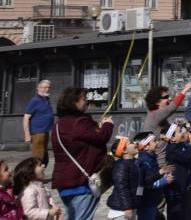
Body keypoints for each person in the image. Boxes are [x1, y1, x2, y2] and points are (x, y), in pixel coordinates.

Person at [51, 88, 114, 220]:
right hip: (81, 182)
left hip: (64, 181)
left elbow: (84, 140)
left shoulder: (59, 124)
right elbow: (101, 138)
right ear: (74, 102)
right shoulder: (80, 122)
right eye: (84, 99)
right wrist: (107, 125)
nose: (87, 103)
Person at [142, 84, 191, 166]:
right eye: (166, 97)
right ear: (157, 102)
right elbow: (172, 108)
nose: (169, 99)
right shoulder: (154, 115)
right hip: (161, 163)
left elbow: (163, 137)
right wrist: (185, 90)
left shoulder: (160, 117)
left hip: (167, 160)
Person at [164, 122, 191, 220]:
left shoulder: (181, 145)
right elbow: (186, 158)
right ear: (172, 138)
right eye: (179, 132)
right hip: (176, 189)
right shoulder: (171, 148)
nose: (183, 132)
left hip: (184, 186)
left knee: (186, 213)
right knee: (177, 214)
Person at [135, 133, 173, 220]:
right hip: (146, 201)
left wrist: (163, 175)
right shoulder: (144, 162)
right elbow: (146, 183)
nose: (157, 143)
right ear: (146, 147)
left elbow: (154, 175)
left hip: (151, 200)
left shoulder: (151, 158)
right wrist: (164, 180)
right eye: (154, 141)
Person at [107, 137, 140, 219]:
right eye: (131, 143)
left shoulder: (134, 163)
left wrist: (159, 173)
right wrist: (127, 207)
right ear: (124, 151)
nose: (135, 143)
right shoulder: (121, 166)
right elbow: (121, 187)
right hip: (121, 211)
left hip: (131, 206)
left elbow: (143, 180)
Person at [23, 81, 53, 168]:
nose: (46, 89)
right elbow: (26, 118)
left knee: (44, 156)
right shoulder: (34, 100)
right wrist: (27, 135)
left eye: (48, 87)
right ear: (38, 88)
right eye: (44, 87)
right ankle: (34, 177)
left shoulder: (46, 99)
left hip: (45, 131)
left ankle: (39, 175)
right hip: (37, 133)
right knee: (38, 157)